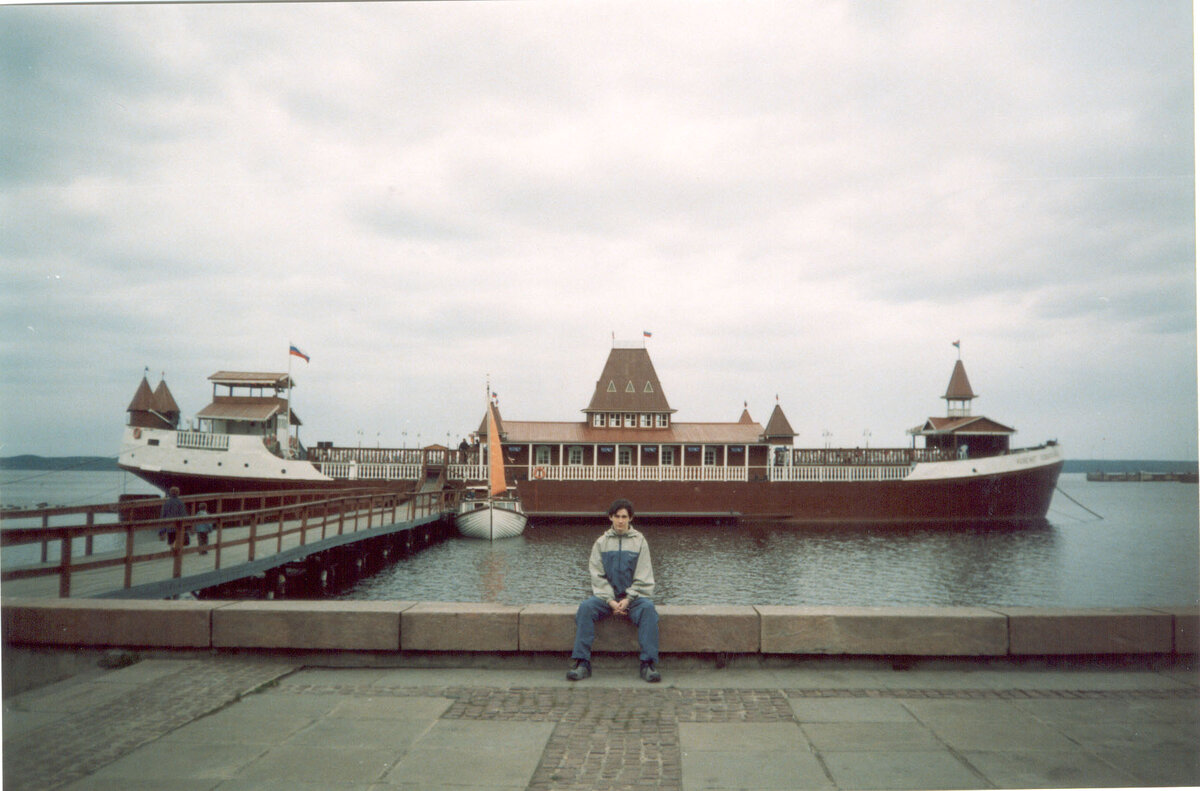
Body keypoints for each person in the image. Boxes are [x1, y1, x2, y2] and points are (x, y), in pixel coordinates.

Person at [567, 498, 661, 683]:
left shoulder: (640, 541)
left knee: (649, 610)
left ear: (630, 518)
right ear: (610, 517)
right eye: (616, 516)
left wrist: (628, 598)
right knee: (585, 608)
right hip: (606, 599)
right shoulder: (601, 543)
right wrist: (610, 600)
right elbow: (597, 576)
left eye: (624, 517)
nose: (620, 521)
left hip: (633, 599)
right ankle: (582, 663)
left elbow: (644, 575)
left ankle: (648, 664)